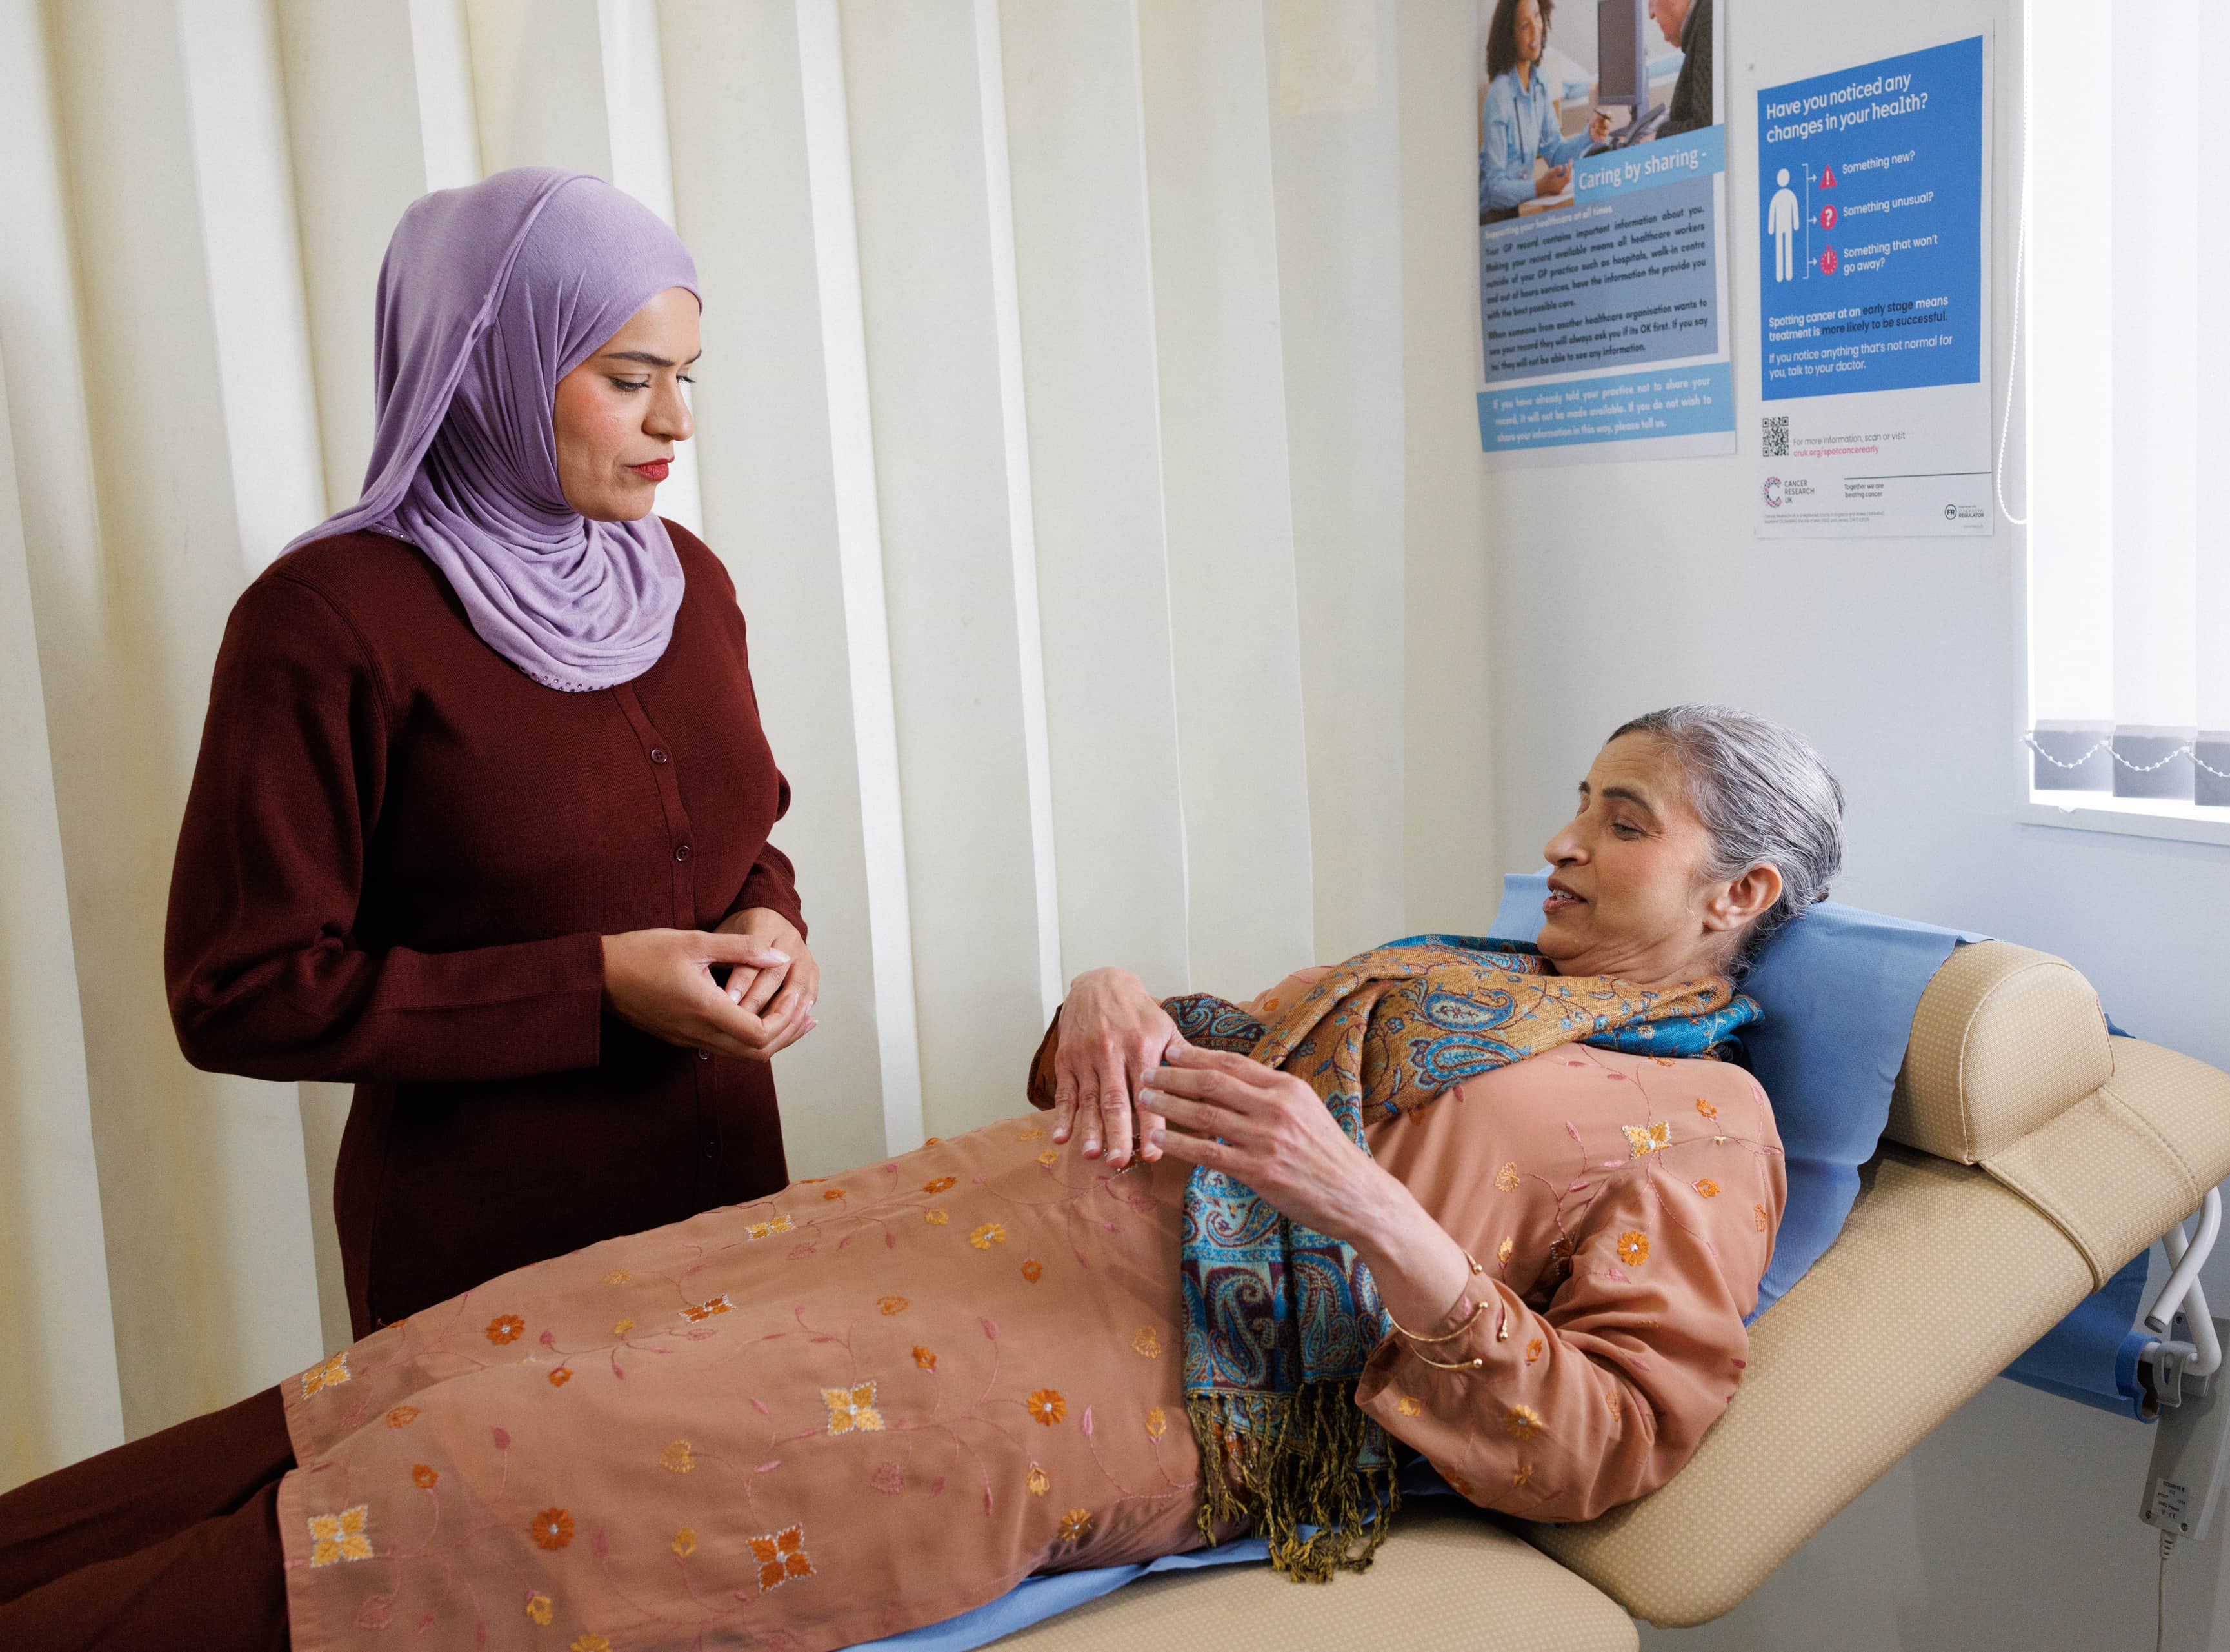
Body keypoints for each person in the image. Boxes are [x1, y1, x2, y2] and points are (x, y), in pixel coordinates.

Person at [6, 706, 1844, 1651]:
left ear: (1738, 896)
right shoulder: (1464, 978)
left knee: (495, 1474)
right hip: (962, 1224)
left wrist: (1369, 1207)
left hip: (1137, 1383)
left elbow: (1615, 1434)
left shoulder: (1706, 1128)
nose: (1561, 841)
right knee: (459, 1356)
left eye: (1624, 819)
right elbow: (1158, 1084)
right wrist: (1113, 1004)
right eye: (1581, 800)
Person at [161, 169, 821, 1340]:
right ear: (490, 364)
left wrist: (773, 924)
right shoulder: (327, 620)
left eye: (684, 377)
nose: (677, 421)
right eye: (630, 379)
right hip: (491, 1286)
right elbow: (241, 992)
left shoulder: (685, 581)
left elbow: (741, 837)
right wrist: (594, 987)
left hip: (734, 1236)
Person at [1478, 0, 1612, 219]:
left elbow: (1556, 154)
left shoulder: (1539, 81)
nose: (1535, 32)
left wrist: (1590, 135)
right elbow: (1494, 190)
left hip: (1519, 208)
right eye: (1524, 26)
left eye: (1537, 17)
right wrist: (1539, 187)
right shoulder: (1499, 97)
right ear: (1509, 36)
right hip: (1492, 216)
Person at [1653, 0, 1715, 139]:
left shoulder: (1707, 22)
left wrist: (1659, 136)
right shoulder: (1705, 18)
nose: (1651, 13)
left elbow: (1705, 129)